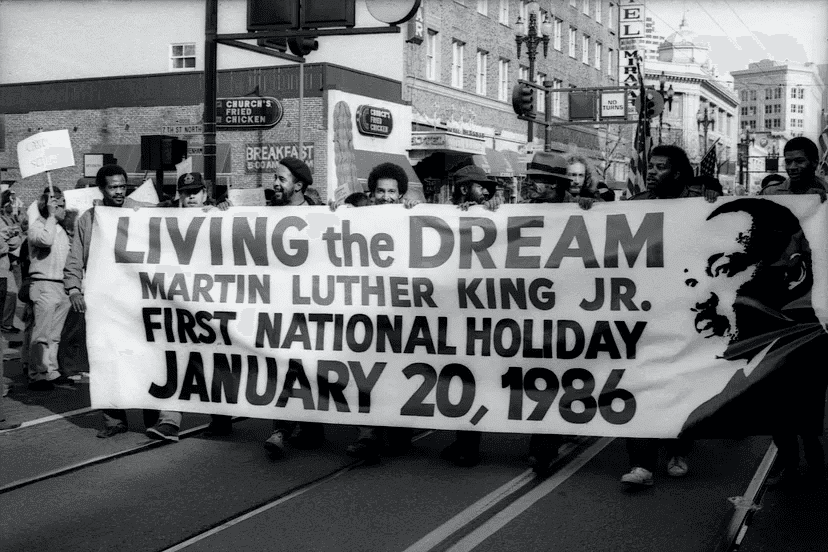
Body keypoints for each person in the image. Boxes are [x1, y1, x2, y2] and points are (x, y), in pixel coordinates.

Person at [680, 199, 828, 486]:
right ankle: (792, 463)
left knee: (801, 414)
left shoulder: (811, 334)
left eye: (724, 269)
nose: (701, 296)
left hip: (803, 350)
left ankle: (812, 463)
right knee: (777, 412)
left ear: (793, 273)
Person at [621, 144, 711, 488]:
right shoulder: (635, 205)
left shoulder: (700, 204)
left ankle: (678, 451)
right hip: (641, 312)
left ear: (677, 173)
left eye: (661, 167)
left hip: (684, 313)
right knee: (641, 385)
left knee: (677, 386)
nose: (653, 172)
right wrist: (587, 210)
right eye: (651, 166)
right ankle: (641, 464)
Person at [64, 164, 162, 438]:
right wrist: (73, 289)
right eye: (113, 187)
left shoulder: (139, 211)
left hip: (136, 302)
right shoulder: (89, 219)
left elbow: (171, 218)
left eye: (122, 186)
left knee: (143, 360)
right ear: (102, 189)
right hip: (105, 303)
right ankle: (114, 420)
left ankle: (152, 418)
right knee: (107, 361)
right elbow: (76, 257)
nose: (119, 192)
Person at [344, 162, 420, 464]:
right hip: (366, 310)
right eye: (381, 191)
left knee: (397, 371)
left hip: (402, 312)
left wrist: (417, 213)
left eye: (392, 192)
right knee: (367, 372)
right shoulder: (357, 219)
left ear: (401, 195)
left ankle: (399, 426)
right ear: (371, 194)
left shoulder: (412, 217)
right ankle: (368, 434)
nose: (386, 196)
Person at [439, 165, 501, 467]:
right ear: (464, 190)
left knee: (472, 380)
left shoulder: (491, 213)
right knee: (455, 381)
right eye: (480, 187)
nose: (486, 192)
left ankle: (469, 446)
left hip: (479, 315)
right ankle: (461, 440)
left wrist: (487, 210)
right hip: (453, 314)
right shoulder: (443, 217)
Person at [27, 186, 72, 391]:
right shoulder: (38, 226)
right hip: (44, 283)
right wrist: (52, 217)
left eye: (62, 204)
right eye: (58, 205)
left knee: (54, 335)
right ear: (48, 206)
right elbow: (45, 241)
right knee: (42, 334)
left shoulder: (61, 229)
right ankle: (37, 373)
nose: (62, 209)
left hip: (61, 285)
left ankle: (51, 370)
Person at [760, 137, 828, 197]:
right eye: (788, 162)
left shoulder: (825, 190)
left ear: (814, 163)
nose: (792, 167)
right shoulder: (770, 193)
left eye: (799, 161)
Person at [0, 189, 24, 334]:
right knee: (10, 292)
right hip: (2, 264)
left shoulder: (8, 218)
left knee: (10, 292)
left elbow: (14, 240)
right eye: (11, 202)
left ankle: (6, 322)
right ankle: (6, 323)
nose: (13, 205)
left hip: (6, 263)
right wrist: (6, 244)